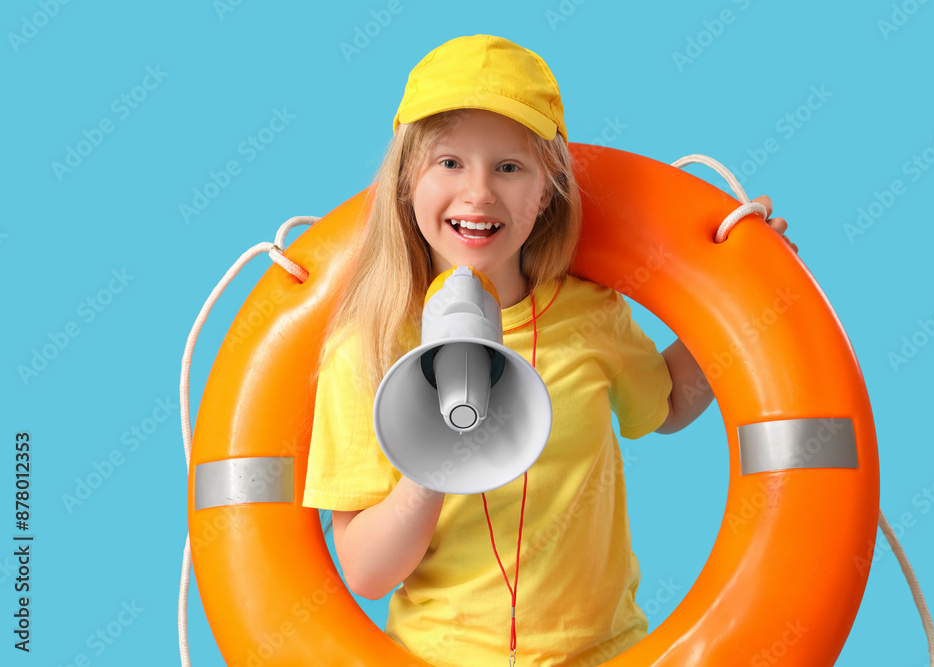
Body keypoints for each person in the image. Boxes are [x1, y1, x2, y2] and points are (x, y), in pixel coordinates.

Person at [302, 34, 795, 666]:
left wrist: (746, 300)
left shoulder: (588, 313)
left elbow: (666, 403)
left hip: (609, 655)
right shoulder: (367, 348)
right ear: (405, 181)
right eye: (449, 162)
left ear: (546, 190)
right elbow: (368, 574)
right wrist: (432, 466)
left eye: (509, 167)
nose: (478, 193)